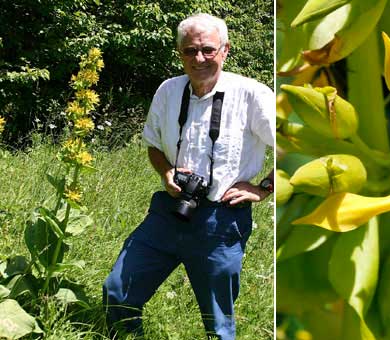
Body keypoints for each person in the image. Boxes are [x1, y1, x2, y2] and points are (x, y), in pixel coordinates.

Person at [103, 13, 274, 339]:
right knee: (118, 293)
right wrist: (167, 172)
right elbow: (153, 144)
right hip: (169, 212)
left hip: (221, 221)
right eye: (190, 51)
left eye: (208, 50)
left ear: (225, 50)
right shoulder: (168, 91)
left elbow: (292, 146)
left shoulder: (251, 94)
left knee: (219, 325)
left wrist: (264, 187)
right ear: (179, 52)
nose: (199, 58)